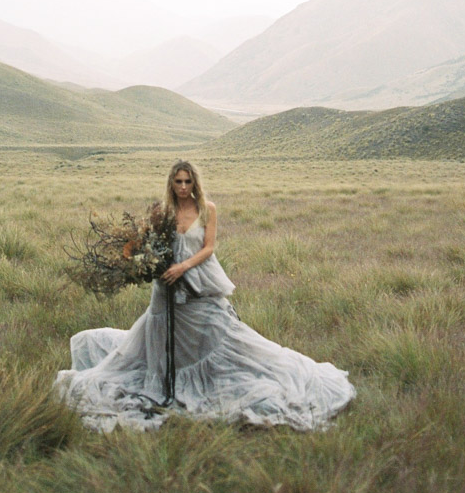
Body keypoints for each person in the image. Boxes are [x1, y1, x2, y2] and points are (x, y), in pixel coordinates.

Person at [54, 160, 356, 431]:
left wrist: (182, 267)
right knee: (159, 332)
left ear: (194, 183)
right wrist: (145, 264)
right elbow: (144, 243)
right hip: (165, 287)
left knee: (214, 329)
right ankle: (162, 386)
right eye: (178, 182)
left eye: (188, 181)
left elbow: (208, 248)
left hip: (197, 278)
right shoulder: (162, 211)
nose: (183, 187)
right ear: (171, 184)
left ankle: (209, 381)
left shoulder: (207, 209)